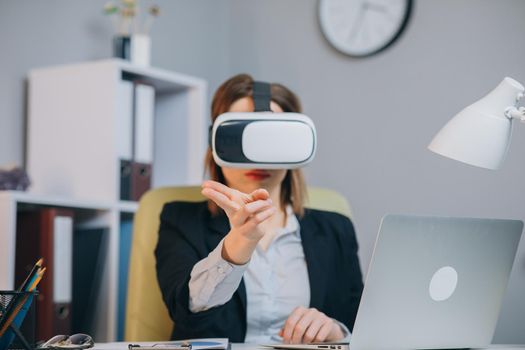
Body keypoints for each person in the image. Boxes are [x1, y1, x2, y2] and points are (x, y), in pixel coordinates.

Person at [155, 74, 363, 344]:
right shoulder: (180, 220)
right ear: (216, 143)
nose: (258, 154)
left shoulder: (337, 228)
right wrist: (237, 246)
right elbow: (187, 311)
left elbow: (360, 323)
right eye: (242, 135)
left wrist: (335, 333)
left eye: (273, 138)